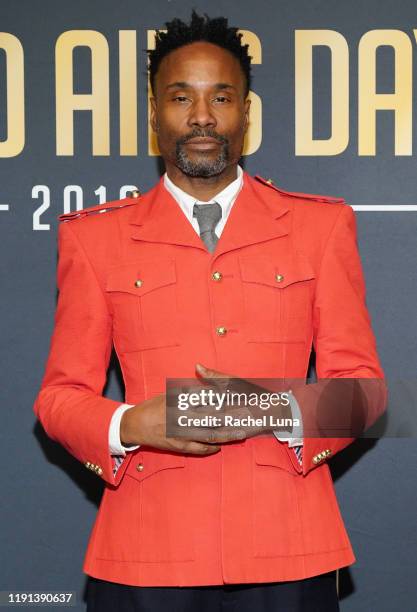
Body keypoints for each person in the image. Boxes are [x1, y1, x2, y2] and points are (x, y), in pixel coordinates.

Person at [33, 10, 387, 612]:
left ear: (246, 114)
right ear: (154, 115)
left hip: (290, 550)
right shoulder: (95, 240)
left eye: (221, 96)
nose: (201, 116)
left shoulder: (319, 226)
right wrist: (130, 425)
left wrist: (271, 407)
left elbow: (369, 394)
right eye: (180, 97)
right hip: (145, 553)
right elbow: (59, 398)